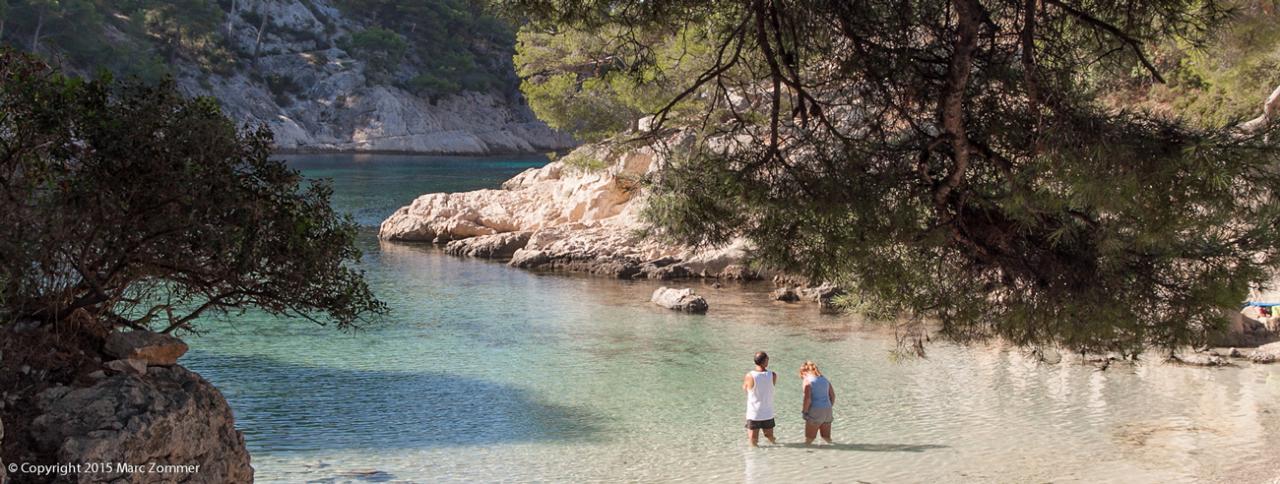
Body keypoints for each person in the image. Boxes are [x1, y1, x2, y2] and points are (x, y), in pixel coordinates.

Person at [743, 351, 777, 447]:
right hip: (768, 412)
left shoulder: (749, 376)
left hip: (754, 413)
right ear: (765, 361)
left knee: (753, 442)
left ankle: (754, 460)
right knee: (770, 438)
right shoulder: (773, 375)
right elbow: (770, 387)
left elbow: (745, 389)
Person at [800, 360, 836, 444]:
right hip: (828, 410)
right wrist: (828, 407)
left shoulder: (807, 380)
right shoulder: (825, 379)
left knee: (809, 440)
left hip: (815, 411)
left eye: (801, 374)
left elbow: (807, 398)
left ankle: (807, 456)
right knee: (826, 438)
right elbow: (833, 396)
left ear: (804, 372)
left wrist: (804, 412)